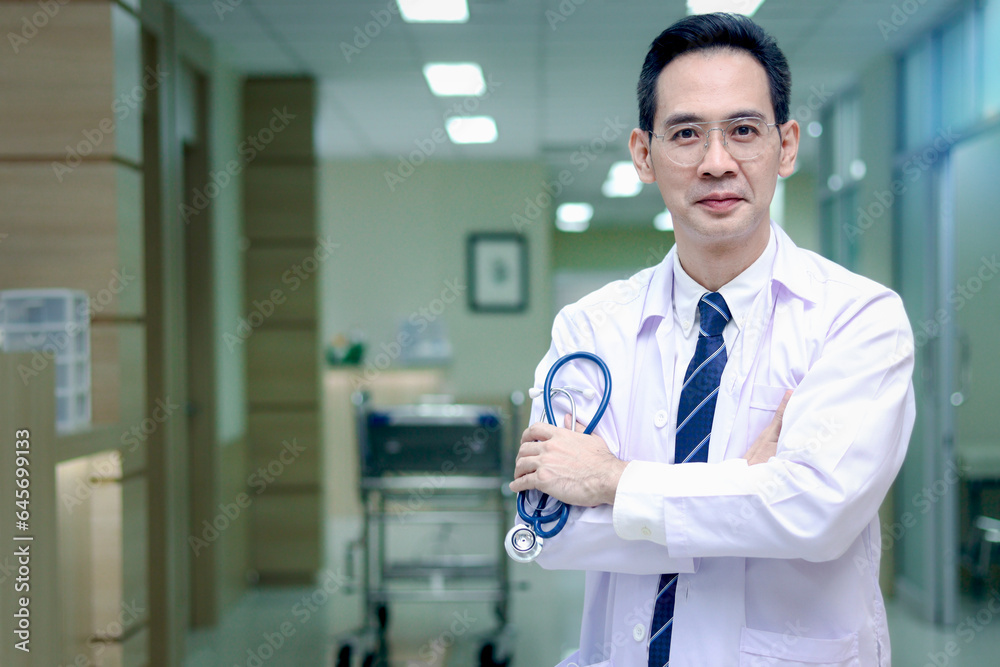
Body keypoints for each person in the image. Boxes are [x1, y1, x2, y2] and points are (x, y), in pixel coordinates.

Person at [510, 12, 915, 667]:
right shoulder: (589, 327)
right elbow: (546, 529)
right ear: (645, 154)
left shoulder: (858, 319)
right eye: (687, 132)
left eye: (744, 130)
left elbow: (815, 514)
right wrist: (747, 488)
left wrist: (614, 480)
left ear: (785, 146)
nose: (717, 162)